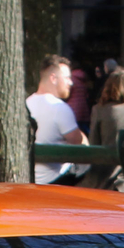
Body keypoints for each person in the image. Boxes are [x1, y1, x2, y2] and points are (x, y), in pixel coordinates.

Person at [27, 54, 88, 184]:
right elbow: (79, 143)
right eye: (67, 78)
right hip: (56, 180)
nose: (71, 83)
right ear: (53, 78)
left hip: (31, 179)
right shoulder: (60, 108)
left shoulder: (26, 104)